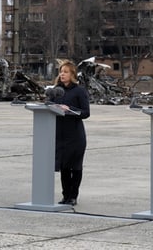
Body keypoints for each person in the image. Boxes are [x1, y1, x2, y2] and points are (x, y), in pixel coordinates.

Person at [53, 60, 90, 206]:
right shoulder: (56, 90)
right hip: (60, 135)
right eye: (61, 71)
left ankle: (73, 196)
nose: (62, 74)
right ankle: (65, 195)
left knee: (75, 166)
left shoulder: (79, 91)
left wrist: (69, 110)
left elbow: (86, 112)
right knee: (64, 167)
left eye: (65, 72)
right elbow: (48, 105)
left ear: (72, 74)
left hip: (75, 136)